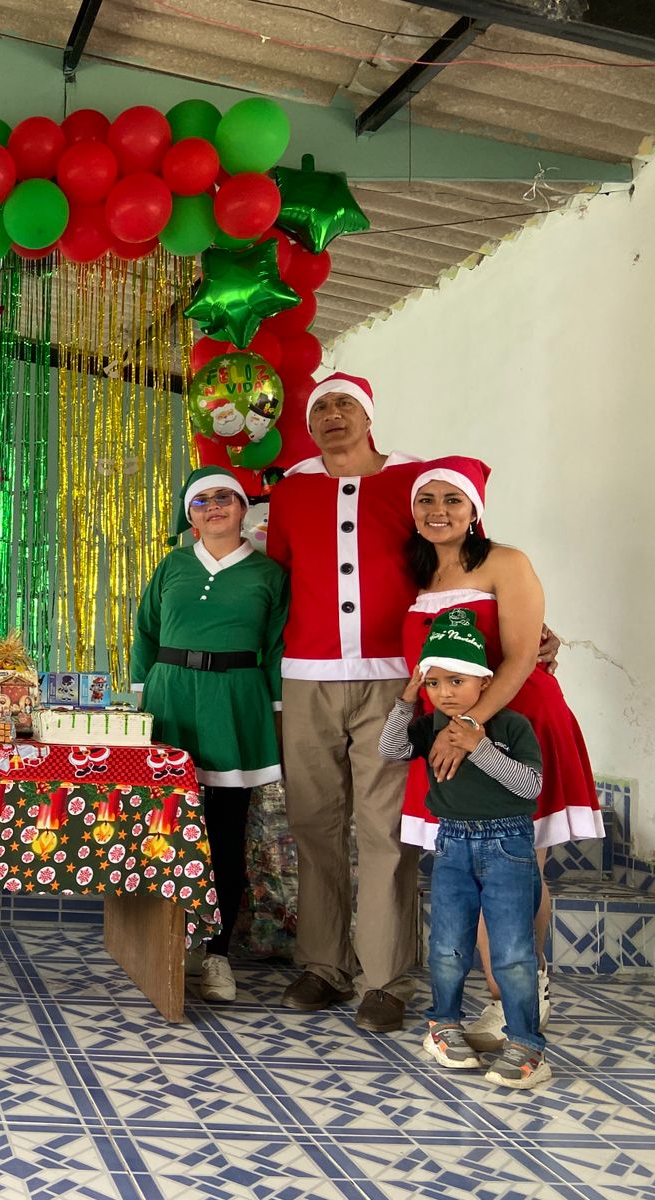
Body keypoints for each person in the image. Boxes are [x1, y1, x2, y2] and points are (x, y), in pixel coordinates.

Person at [399, 456, 600, 1049]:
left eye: (452, 500)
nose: (438, 511)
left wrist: (469, 727)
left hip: (514, 725)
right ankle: (507, 992)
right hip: (451, 736)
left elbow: (519, 657)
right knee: (476, 865)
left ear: (475, 510)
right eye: (426, 500)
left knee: (513, 864)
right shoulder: (418, 574)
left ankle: (516, 997)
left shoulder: (506, 563)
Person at [266, 372, 427, 1032]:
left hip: (393, 679)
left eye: (345, 404)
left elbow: (458, 560)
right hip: (307, 677)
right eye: (321, 407)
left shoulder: (413, 482)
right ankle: (324, 965)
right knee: (314, 822)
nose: (333, 414)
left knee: (385, 828)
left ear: (369, 415)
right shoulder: (291, 492)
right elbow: (278, 576)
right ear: (309, 425)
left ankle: (385, 979)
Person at [132, 466, 288, 1004]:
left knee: (224, 831)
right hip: (170, 698)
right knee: (164, 823)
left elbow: (276, 648)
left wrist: (273, 712)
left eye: (225, 497)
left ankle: (216, 953)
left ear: (244, 507)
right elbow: (145, 630)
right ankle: (162, 941)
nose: (214, 507)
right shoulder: (172, 565)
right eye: (202, 501)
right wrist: (142, 699)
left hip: (235, 703)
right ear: (190, 515)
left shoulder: (269, 574)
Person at [379, 609, 551, 1089]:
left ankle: (526, 1047)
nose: (445, 693)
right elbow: (391, 750)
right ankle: (443, 1026)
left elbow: (530, 785)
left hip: (508, 844)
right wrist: (406, 699)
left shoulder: (512, 726)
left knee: (512, 951)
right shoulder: (429, 724)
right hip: (452, 843)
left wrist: (480, 746)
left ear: (484, 681)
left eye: (457, 680)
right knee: (448, 945)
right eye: (434, 683)